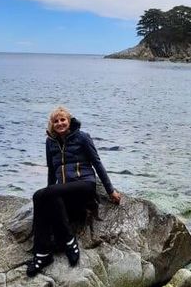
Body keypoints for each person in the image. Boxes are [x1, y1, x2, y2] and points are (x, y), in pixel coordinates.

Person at [26, 106, 121, 277]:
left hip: (84, 185)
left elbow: (97, 163)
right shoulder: (50, 142)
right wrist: (49, 191)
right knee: (46, 197)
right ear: (51, 125)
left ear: (69, 121)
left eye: (63, 119)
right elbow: (51, 169)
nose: (60, 123)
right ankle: (42, 254)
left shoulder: (82, 137)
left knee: (41, 195)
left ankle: (69, 241)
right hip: (63, 191)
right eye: (56, 121)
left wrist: (110, 190)